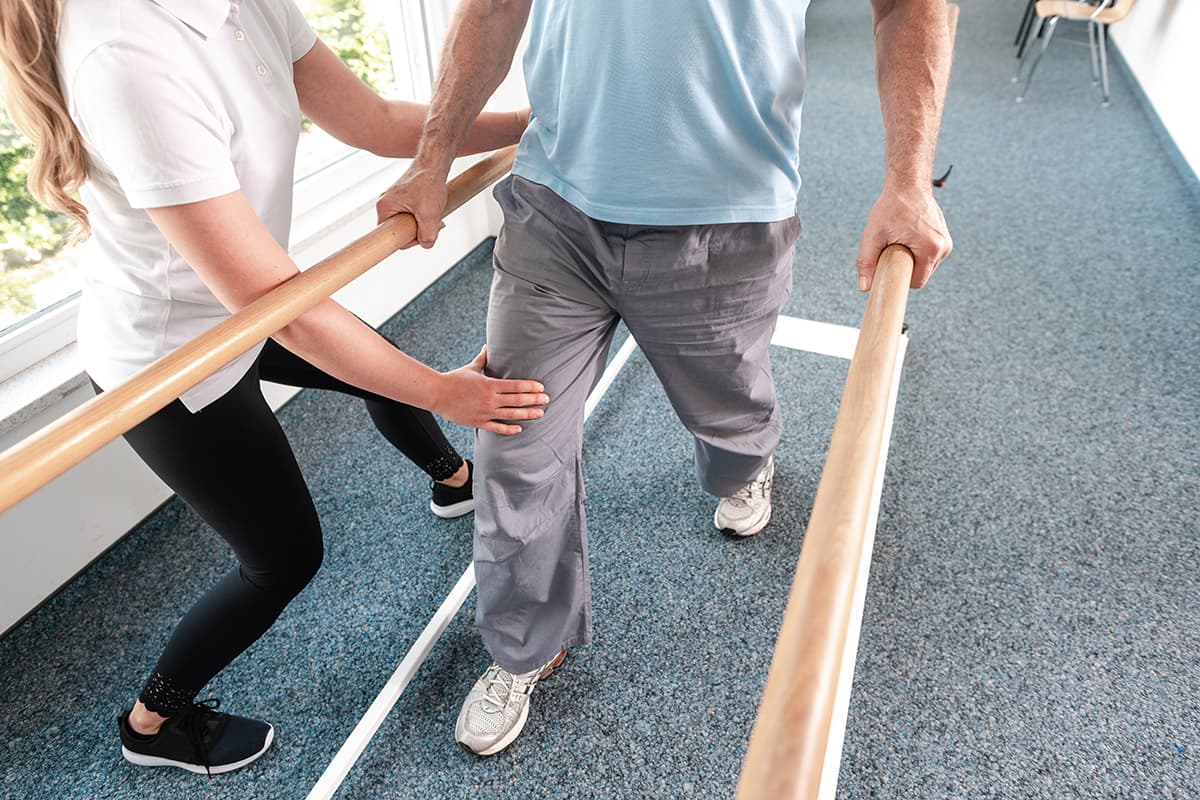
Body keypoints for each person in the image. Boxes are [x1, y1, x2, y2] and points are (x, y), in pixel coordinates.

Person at [375, 0, 954, 757]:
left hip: (726, 220)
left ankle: (747, 464)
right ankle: (525, 646)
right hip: (557, 211)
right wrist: (432, 155)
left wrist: (910, 179)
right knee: (514, 444)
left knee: (728, 409)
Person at [0, 0, 549, 776]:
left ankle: (452, 479)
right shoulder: (124, 55)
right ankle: (152, 722)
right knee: (284, 557)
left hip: (243, 306)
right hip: (173, 360)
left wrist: (532, 121)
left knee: (376, 365)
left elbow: (374, 120)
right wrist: (443, 391)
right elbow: (282, 313)